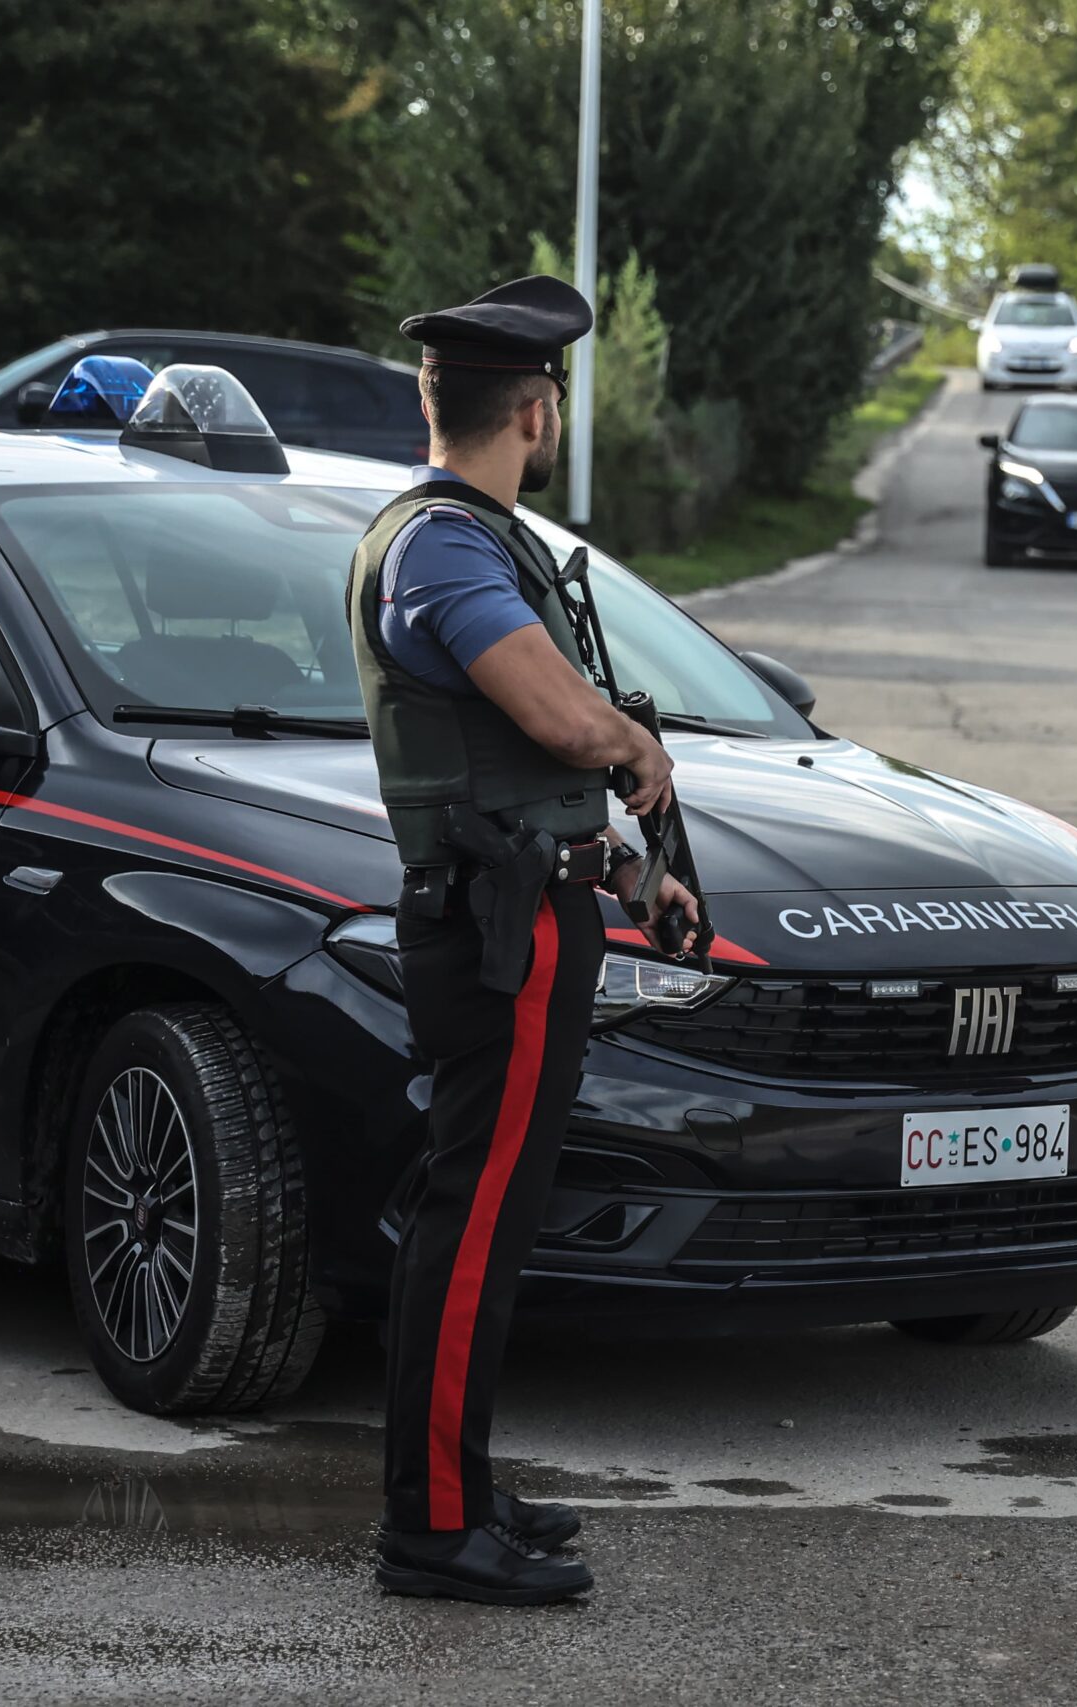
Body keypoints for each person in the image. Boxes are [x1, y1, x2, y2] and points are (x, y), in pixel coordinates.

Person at [350, 274, 697, 1603]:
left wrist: (625, 867)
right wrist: (634, 745)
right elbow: (556, 720)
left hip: (533, 904)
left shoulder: (475, 536)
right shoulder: (444, 546)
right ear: (536, 410)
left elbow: (516, 774)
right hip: (498, 936)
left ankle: (458, 1484)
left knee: (488, 1218)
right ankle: (433, 1526)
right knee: (473, 1216)